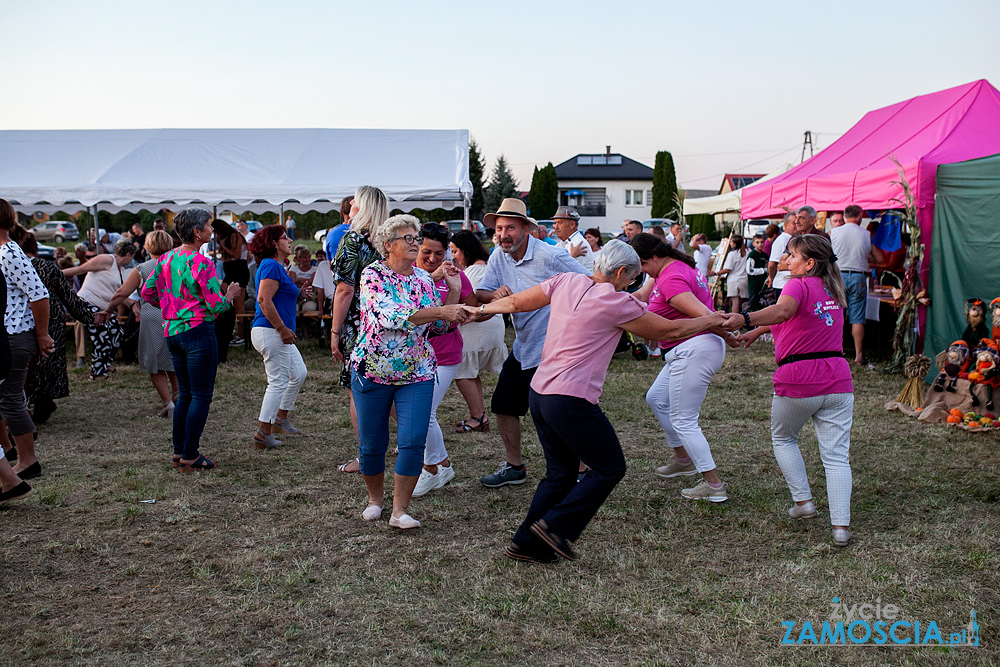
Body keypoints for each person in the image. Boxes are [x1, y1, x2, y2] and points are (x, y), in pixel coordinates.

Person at [466, 241, 731, 563]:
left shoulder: (566, 281)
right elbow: (672, 330)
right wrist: (711, 320)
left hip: (540, 393)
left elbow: (518, 302)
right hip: (570, 399)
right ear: (620, 272)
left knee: (560, 474)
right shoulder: (617, 302)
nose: (630, 286)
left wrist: (479, 310)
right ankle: (554, 528)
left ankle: (525, 543)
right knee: (609, 468)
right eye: (630, 280)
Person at [351, 214, 471, 528]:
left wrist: (454, 294)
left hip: (417, 371)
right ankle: (375, 500)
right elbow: (392, 316)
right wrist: (443, 308)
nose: (415, 242)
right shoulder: (372, 275)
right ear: (387, 244)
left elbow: (439, 327)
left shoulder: (423, 278)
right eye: (408, 238)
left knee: (414, 439)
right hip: (374, 369)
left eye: (415, 237)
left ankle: (399, 511)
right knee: (372, 443)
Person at [737, 235, 854, 547]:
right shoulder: (833, 287)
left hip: (799, 378)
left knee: (783, 438)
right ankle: (840, 528)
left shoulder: (797, 285)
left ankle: (803, 502)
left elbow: (783, 312)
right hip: (839, 379)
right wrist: (758, 330)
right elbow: (801, 318)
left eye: (791, 255)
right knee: (837, 457)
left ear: (809, 263)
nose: (787, 260)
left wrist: (745, 318)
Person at [475, 198, 589, 488]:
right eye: (499, 228)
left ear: (526, 228)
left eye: (510, 227)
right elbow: (482, 292)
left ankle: (583, 470)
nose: (503, 234)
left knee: (556, 411)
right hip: (524, 346)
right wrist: (494, 295)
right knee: (504, 404)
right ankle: (515, 468)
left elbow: (589, 285)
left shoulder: (550, 255)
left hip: (555, 347)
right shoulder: (499, 256)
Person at [631, 233, 742, 502]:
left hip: (695, 349)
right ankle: (683, 458)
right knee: (656, 398)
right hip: (685, 349)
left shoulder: (672, 279)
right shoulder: (665, 270)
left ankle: (714, 486)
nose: (642, 272)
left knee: (683, 420)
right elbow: (641, 296)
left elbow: (707, 316)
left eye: (643, 265)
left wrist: (729, 336)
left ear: (654, 258)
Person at [141, 208, 240, 472]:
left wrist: (170, 306)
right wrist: (229, 295)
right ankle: (190, 454)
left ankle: (179, 453)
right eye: (208, 226)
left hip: (172, 332)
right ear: (198, 233)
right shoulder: (201, 263)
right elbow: (216, 306)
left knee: (185, 394)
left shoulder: (166, 259)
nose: (211, 229)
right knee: (200, 396)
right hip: (197, 332)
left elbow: (147, 291)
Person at [410, 224, 478, 496]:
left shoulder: (453, 274)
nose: (432, 259)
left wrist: (466, 307)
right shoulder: (407, 274)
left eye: (440, 253)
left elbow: (472, 307)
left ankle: (433, 468)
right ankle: (441, 464)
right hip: (410, 354)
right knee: (412, 412)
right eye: (427, 252)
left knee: (424, 412)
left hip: (443, 354)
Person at [330, 186, 389, 474]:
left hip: (360, 326)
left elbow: (344, 291)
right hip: (390, 325)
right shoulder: (390, 240)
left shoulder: (352, 240)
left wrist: (334, 331)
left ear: (362, 205)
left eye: (355, 199)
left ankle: (366, 457)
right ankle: (412, 447)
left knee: (360, 392)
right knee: (391, 389)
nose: (350, 202)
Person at [15, 230, 96, 424]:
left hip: (21, 322)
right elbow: (70, 299)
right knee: (47, 364)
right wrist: (91, 317)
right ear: (35, 247)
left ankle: (34, 405)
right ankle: (42, 402)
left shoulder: (11, 266)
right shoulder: (48, 268)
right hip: (50, 320)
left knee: (28, 367)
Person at [0, 199, 54, 482]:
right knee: (6, 399)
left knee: (10, 400)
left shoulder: (9, 252)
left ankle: (28, 461)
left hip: (15, 335)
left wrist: (42, 335)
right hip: (8, 335)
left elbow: (39, 294)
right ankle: (10, 452)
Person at [100, 231, 177, 418]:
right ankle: (178, 395)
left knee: (154, 363)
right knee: (174, 360)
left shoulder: (142, 269)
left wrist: (109, 310)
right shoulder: (179, 265)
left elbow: (121, 294)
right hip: (175, 316)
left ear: (147, 247)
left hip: (151, 316)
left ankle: (168, 403)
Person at [249, 225, 307, 450]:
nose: (290, 241)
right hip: (271, 331)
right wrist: (282, 328)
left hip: (275, 331)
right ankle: (263, 432)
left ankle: (280, 418)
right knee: (278, 381)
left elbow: (279, 299)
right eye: (285, 238)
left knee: (298, 373)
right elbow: (264, 300)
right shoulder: (272, 265)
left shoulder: (277, 267)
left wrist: (300, 296)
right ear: (274, 243)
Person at [449, 230, 507, 434]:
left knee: (463, 371)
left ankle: (478, 417)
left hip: (480, 327)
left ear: (466, 250)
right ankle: (478, 413)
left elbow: (470, 300)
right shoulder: (483, 267)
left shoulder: (476, 270)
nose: (453, 256)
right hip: (488, 326)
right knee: (469, 372)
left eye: (455, 251)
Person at [62, 239, 135, 379]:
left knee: (117, 332)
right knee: (102, 335)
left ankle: (105, 364)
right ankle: (97, 373)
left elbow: (120, 294)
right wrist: (56, 273)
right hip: (86, 302)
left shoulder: (121, 271)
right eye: (131, 256)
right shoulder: (107, 259)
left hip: (102, 308)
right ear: (128, 254)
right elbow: (80, 269)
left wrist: (133, 306)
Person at [831, 204, 885, 365]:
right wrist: (863, 257)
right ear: (860, 216)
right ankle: (859, 355)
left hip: (837, 276)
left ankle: (836, 350)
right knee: (857, 318)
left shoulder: (833, 233)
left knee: (836, 314)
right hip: (858, 277)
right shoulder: (866, 234)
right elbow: (881, 259)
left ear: (845, 216)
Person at [550, 206, 593, 272]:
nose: (555, 227)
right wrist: (571, 256)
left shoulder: (578, 244)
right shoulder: (563, 243)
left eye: (560, 223)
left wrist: (571, 257)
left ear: (572, 225)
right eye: (555, 223)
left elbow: (560, 272)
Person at [767, 213, 797, 295]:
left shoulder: (793, 238)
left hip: (790, 283)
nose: (797, 225)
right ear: (786, 225)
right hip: (782, 284)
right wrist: (771, 278)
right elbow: (772, 264)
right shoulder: (781, 240)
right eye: (794, 223)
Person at [718, 234, 749, 314]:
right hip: (744, 279)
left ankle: (735, 321)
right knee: (743, 302)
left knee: (735, 302)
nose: (730, 244)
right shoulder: (747, 252)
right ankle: (744, 319)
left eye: (731, 242)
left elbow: (728, 268)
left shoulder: (732, 254)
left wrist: (716, 273)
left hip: (733, 280)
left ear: (735, 244)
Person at [287, 245, 318, 312]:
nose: (307, 260)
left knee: (309, 308)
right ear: (299, 259)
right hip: (295, 295)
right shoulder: (294, 268)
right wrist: (306, 281)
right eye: (305, 258)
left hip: (310, 295)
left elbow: (312, 282)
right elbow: (290, 282)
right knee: (294, 309)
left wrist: (298, 279)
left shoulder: (315, 269)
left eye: (309, 257)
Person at [324, 196, 354, 262]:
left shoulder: (331, 234)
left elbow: (330, 262)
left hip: (337, 271)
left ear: (341, 213)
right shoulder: (363, 232)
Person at [746, 233, 770, 308]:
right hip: (754, 286)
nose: (760, 244)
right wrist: (764, 270)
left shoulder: (765, 255)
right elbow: (750, 270)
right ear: (753, 244)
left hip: (763, 285)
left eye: (762, 242)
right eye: (757, 242)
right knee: (753, 305)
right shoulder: (752, 255)